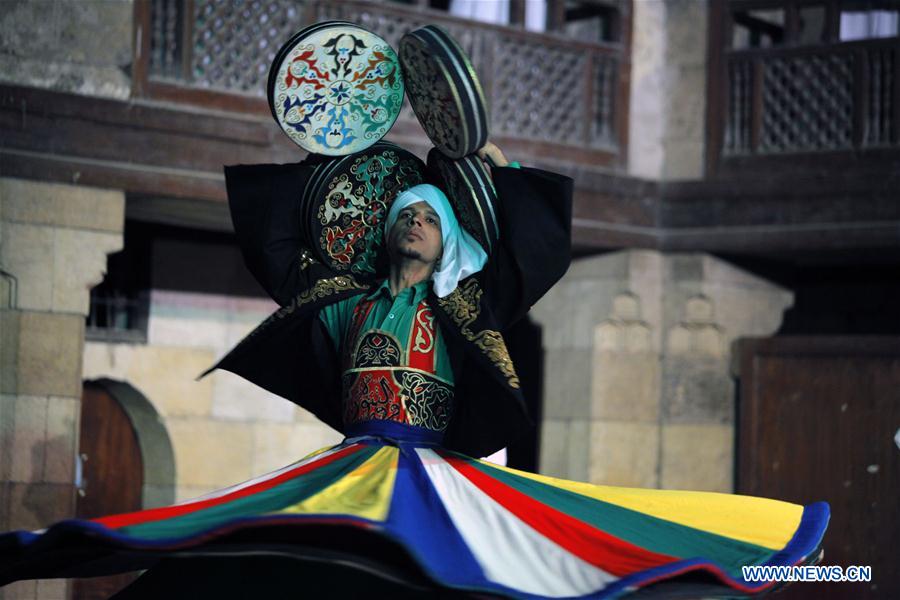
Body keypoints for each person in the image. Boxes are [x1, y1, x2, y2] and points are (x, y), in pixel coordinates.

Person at [0, 143, 828, 599]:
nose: (421, 222)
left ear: (448, 240)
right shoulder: (343, 303)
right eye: (410, 213)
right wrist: (325, 161)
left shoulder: (465, 303)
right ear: (390, 232)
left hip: (437, 468)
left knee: (592, 548)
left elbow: (532, 253)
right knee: (210, 536)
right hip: (349, 463)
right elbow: (275, 249)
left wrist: (486, 172)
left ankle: (825, 562)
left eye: (434, 216)